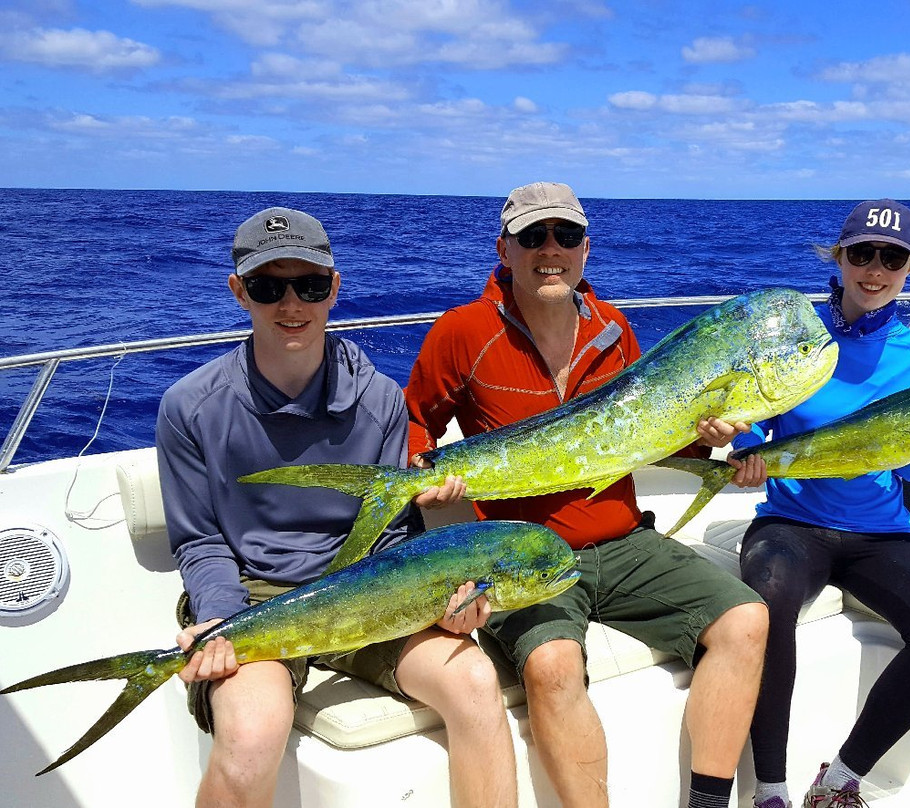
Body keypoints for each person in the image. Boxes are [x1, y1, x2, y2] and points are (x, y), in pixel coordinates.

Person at [405, 181, 769, 808]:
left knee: (747, 620)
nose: (552, 250)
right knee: (551, 667)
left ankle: (707, 801)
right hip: (519, 553)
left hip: (624, 540)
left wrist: (711, 439)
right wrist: (425, 476)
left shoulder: (615, 329)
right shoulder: (462, 332)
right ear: (504, 247)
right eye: (533, 236)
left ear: (585, 249)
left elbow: (659, 442)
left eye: (566, 236)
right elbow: (415, 419)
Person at [156, 206, 514, 808]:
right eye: (270, 287)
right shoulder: (189, 406)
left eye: (311, 285)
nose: (291, 305)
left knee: (476, 683)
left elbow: (394, 534)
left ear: (335, 288)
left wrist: (443, 599)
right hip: (258, 597)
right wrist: (218, 615)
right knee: (250, 733)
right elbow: (199, 540)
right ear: (239, 291)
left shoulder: (380, 400)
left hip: (367, 587)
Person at [729, 200, 910, 808]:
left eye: (891, 257)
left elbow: (907, 454)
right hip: (790, 521)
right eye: (861, 253)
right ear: (837, 259)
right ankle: (771, 790)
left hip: (880, 528)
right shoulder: (798, 343)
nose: (874, 268)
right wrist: (744, 449)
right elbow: (750, 423)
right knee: (768, 604)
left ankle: (840, 781)